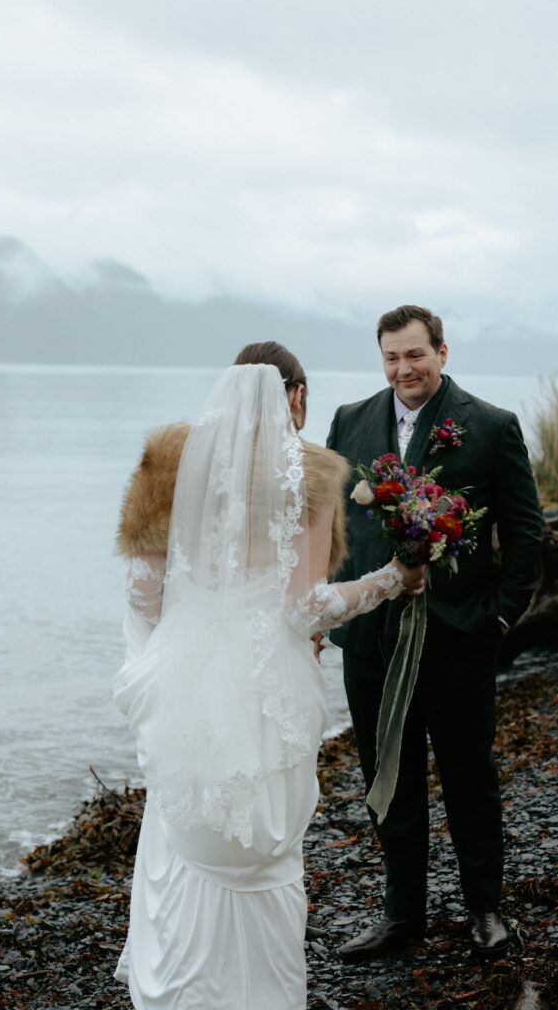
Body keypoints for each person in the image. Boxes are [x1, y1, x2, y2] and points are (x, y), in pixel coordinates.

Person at [112, 342, 424, 1010]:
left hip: (186, 674)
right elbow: (304, 608)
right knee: (264, 839)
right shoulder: (306, 473)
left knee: (181, 820)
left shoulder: (171, 459)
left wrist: (170, 644)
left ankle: (176, 985)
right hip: (265, 679)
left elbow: (141, 585)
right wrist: (391, 579)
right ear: (298, 396)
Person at [326, 305, 543, 960]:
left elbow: (526, 535)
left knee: (468, 778)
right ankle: (403, 917)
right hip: (372, 641)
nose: (403, 369)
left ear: (442, 354)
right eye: (392, 357)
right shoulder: (350, 421)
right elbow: (334, 530)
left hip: (459, 638)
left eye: (415, 355)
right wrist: (333, 610)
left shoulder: (491, 426)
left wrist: (498, 618)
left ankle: (486, 911)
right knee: (386, 776)